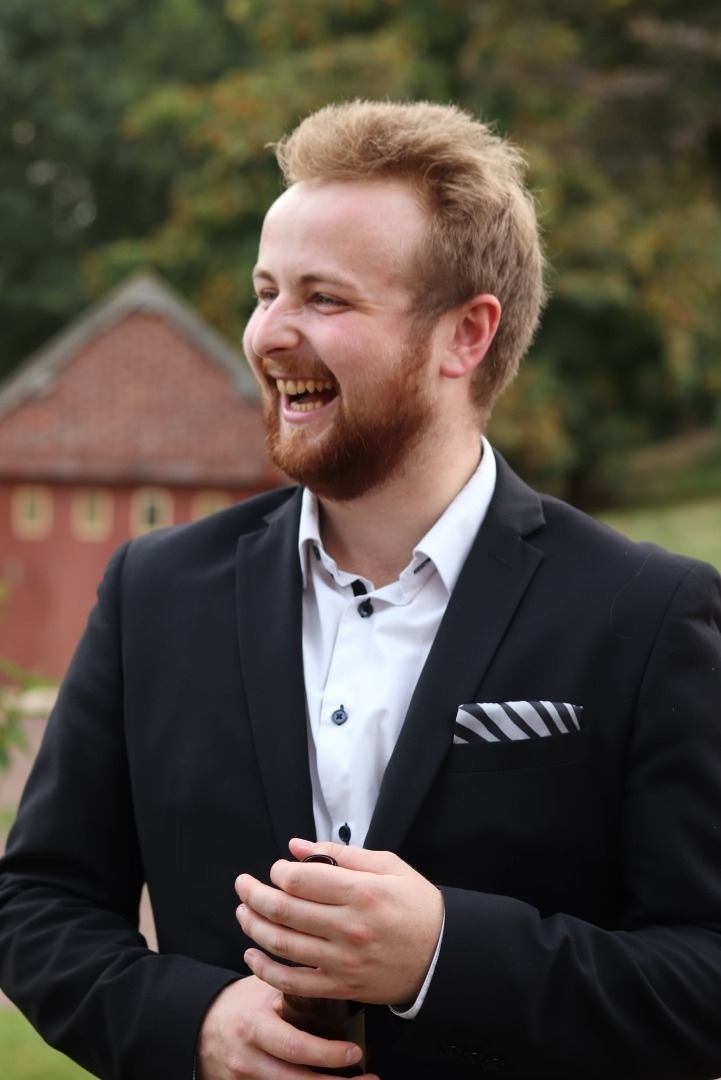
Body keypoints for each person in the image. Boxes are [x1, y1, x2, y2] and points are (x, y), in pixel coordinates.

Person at [1, 100, 721, 1080]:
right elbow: (37, 904)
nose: (268, 335)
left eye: (324, 300)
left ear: (464, 335)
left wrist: (443, 955)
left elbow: (703, 975)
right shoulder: (153, 594)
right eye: (265, 292)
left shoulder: (645, 614)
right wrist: (196, 1025)